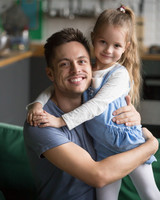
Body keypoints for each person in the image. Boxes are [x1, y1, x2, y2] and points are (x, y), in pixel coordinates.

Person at [24, 27, 158, 200]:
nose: (75, 70)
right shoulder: (41, 121)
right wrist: (151, 146)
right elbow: (99, 176)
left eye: (82, 61)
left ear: (92, 66)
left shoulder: (97, 107)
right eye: (64, 64)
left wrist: (134, 118)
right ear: (51, 73)